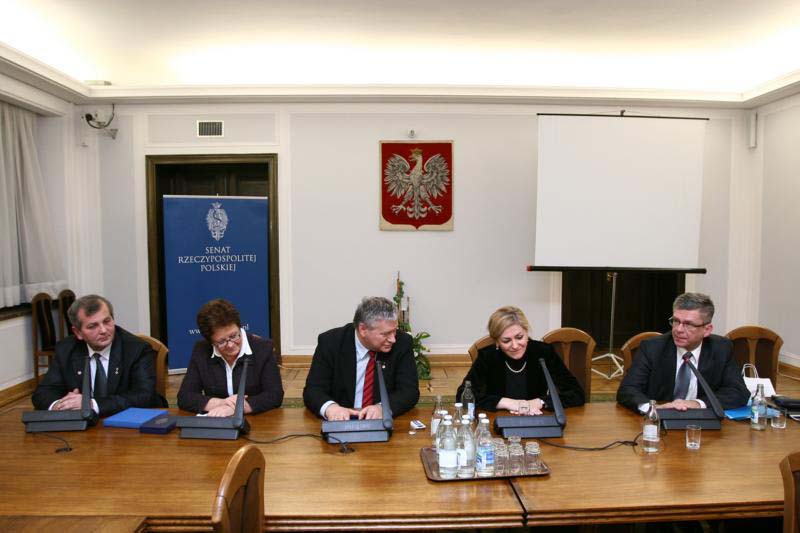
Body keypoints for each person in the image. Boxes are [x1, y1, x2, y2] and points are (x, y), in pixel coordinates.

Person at [32, 294, 163, 416]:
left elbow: (144, 396)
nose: (103, 330)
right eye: (92, 326)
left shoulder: (136, 349)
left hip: (129, 422)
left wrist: (91, 404)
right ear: (78, 332)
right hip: (82, 426)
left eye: (107, 321)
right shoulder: (66, 349)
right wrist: (60, 405)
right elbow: (43, 393)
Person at [617, 292, 750, 413]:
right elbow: (627, 390)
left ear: (707, 330)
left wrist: (697, 403)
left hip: (701, 423)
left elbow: (738, 392)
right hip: (659, 420)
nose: (678, 329)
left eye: (688, 324)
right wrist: (653, 408)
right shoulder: (652, 347)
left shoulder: (721, 348)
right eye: (676, 321)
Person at [303, 296, 420, 420]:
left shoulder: (402, 343)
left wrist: (383, 408)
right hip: (341, 421)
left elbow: (409, 391)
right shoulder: (331, 343)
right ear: (363, 329)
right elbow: (313, 390)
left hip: (381, 422)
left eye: (394, 331)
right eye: (386, 334)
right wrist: (331, 408)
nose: (393, 339)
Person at [457, 305, 585, 413]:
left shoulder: (543, 352)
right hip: (498, 421)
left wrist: (540, 402)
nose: (515, 345)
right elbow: (462, 396)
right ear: (497, 342)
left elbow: (576, 394)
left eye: (519, 337)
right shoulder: (488, 357)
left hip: (537, 418)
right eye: (506, 340)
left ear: (526, 332)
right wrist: (507, 403)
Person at [177, 299, 283, 416]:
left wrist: (239, 408)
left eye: (234, 336)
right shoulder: (201, 350)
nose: (231, 345)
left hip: (257, 420)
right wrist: (222, 403)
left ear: (239, 327)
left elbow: (275, 395)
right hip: (216, 419)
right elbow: (185, 397)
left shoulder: (262, 348)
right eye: (222, 342)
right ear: (211, 342)